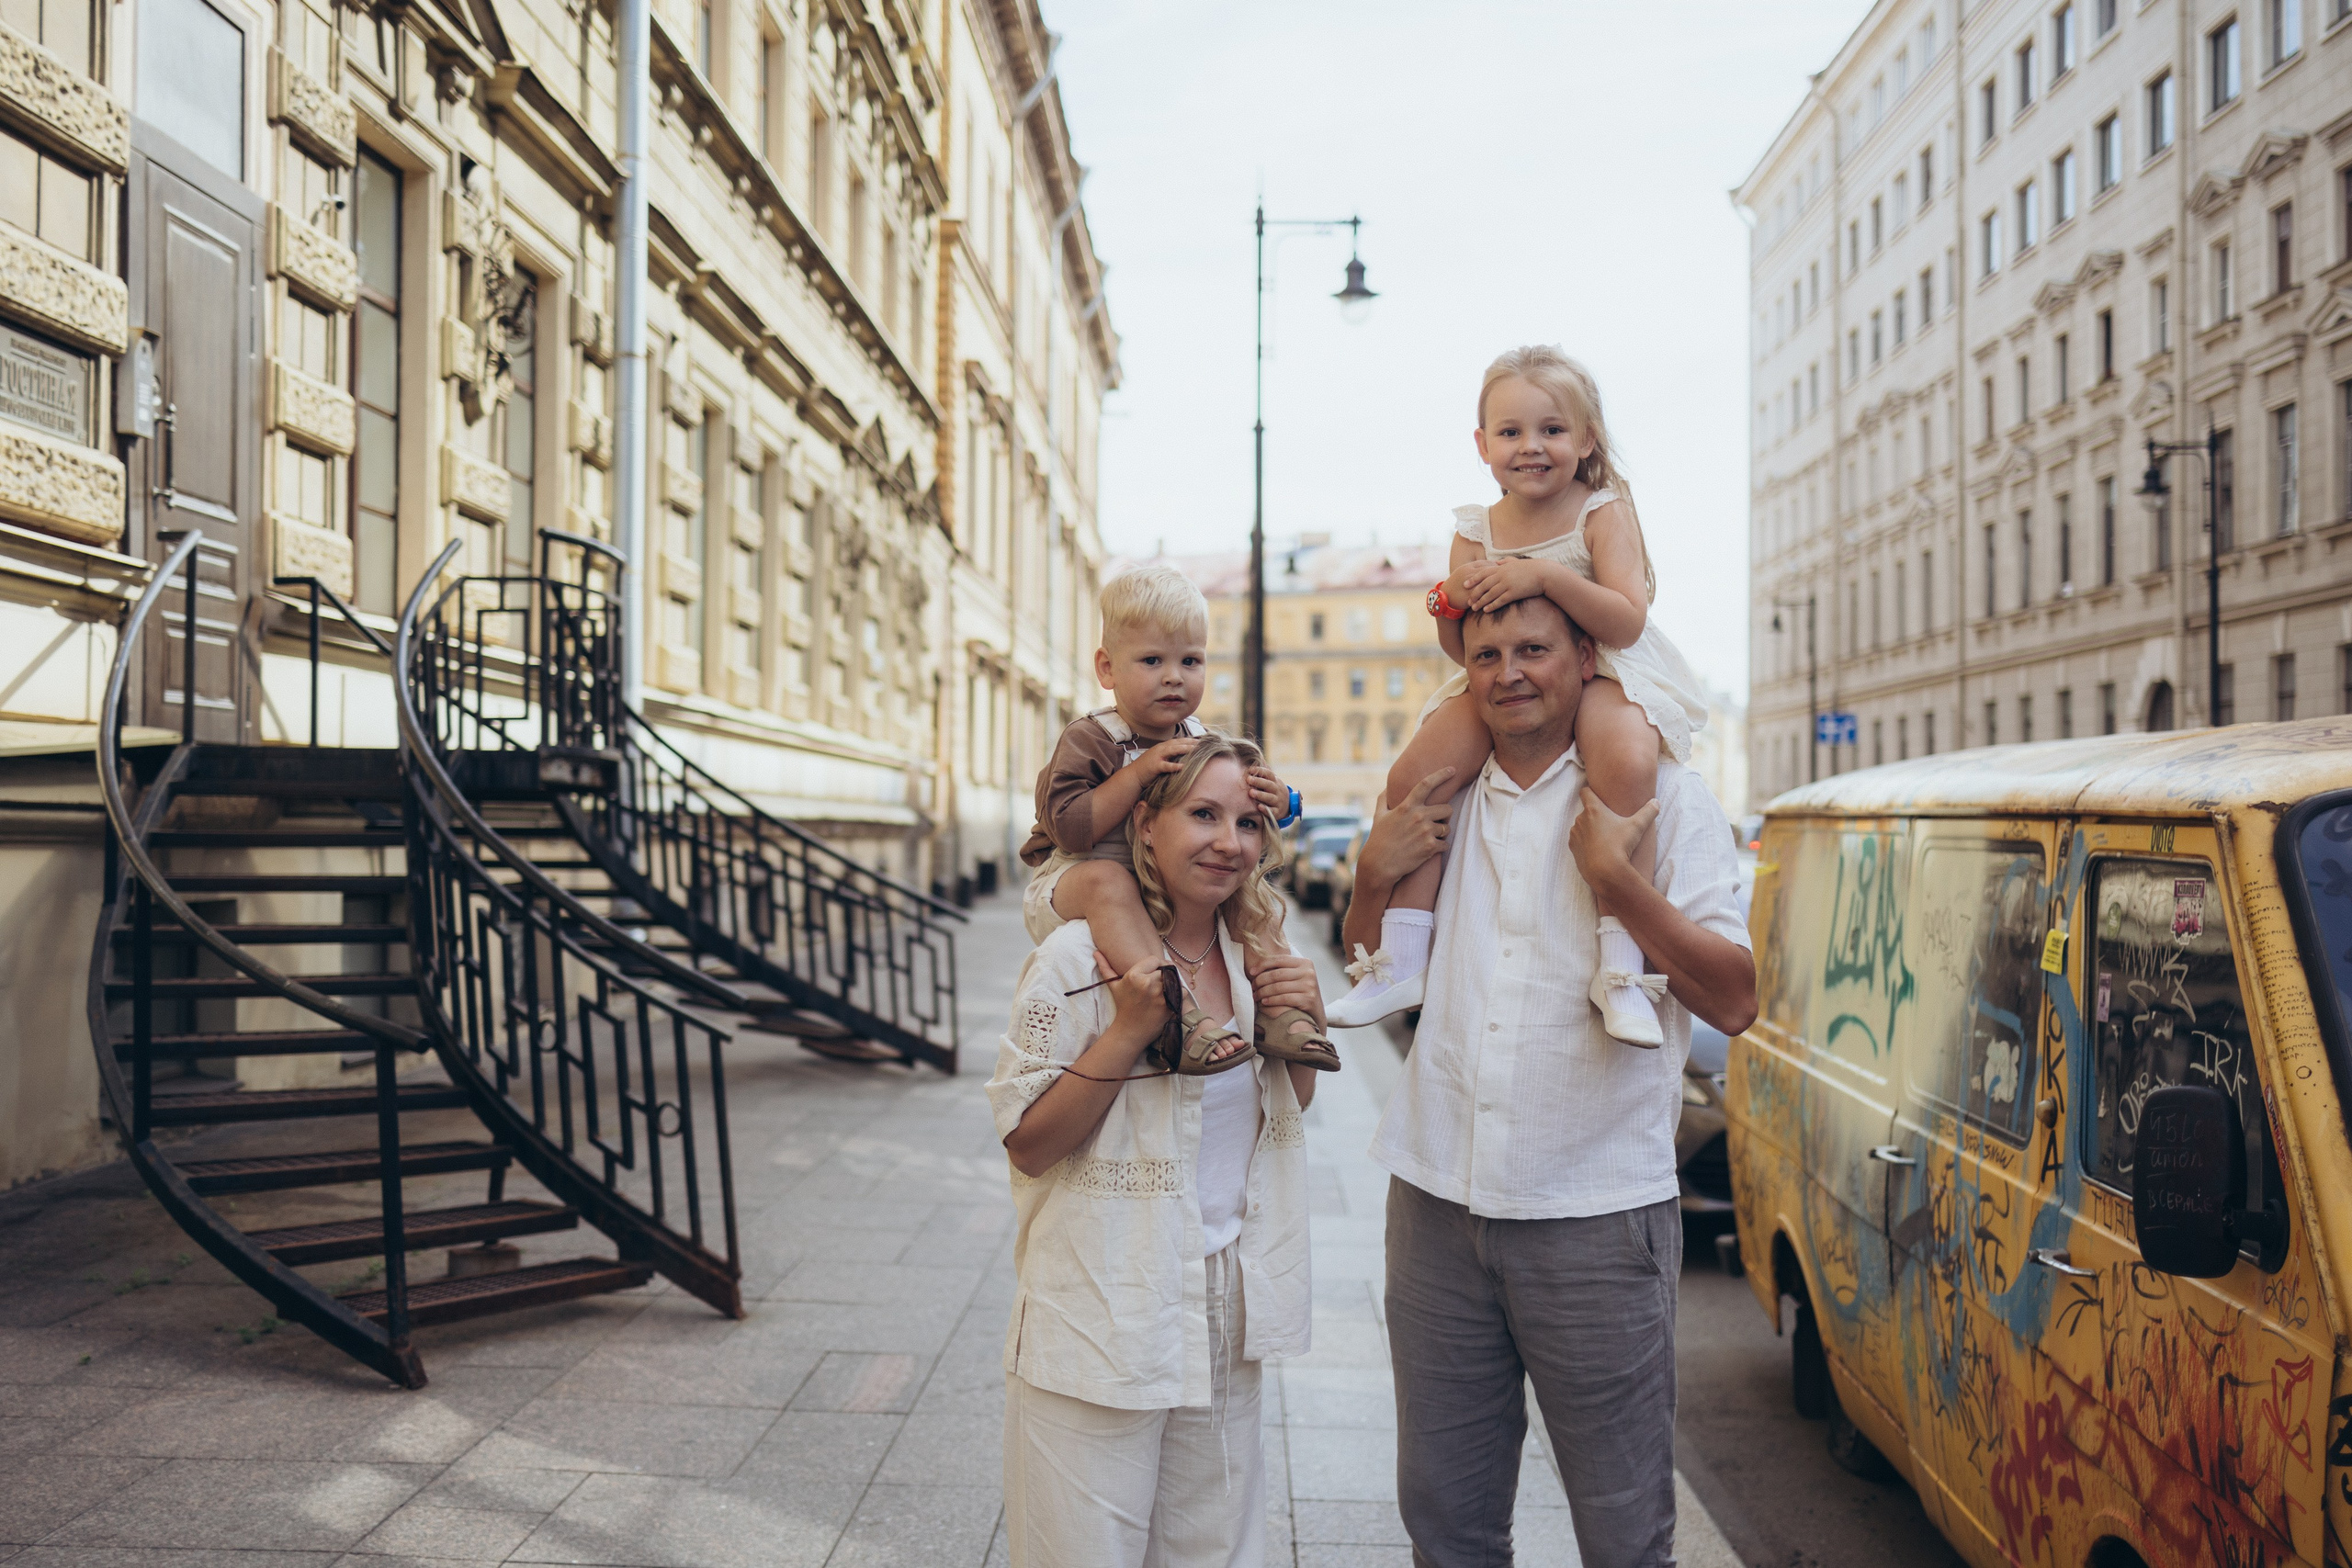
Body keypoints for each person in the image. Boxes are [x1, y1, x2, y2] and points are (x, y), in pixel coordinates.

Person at [1345, 594, 1756, 1568]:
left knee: (1622, 1537)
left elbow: (1734, 1000)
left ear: (1585, 654)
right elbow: (1378, 969)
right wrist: (1370, 877)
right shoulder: (1440, 793)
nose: (1507, 672)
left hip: (1595, 1214)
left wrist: (1619, 884)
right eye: (1484, 653)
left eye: (1532, 648)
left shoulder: (1663, 796)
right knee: (1445, 1525)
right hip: (1437, 1202)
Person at [987, 735, 1329, 1568]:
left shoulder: (1256, 958)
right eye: (1202, 814)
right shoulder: (1077, 955)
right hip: (1101, 1304)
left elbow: (1282, 1114)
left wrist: (1301, 1022)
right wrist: (1131, 1031)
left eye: (1248, 822)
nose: (1228, 841)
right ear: (1144, 826)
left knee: (1214, 1551)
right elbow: (1028, 1141)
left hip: (1221, 1304)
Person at [1327, 346, 1709, 1049]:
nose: (1531, 447)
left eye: (1552, 430)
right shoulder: (1475, 528)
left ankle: (1622, 971)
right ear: (1482, 445)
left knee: (1627, 759)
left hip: (1603, 668)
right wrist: (1449, 601)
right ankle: (1402, 959)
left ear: (1587, 439)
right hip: (1505, 678)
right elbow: (1462, 647)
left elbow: (1627, 618)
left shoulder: (1602, 511)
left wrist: (1545, 581)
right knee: (1416, 777)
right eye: (1510, 432)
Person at [1021, 563, 1339, 1073]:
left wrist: (1282, 800)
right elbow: (1068, 829)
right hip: (1076, 880)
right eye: (1151, 660)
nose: (1174, 676)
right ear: (1107, 669)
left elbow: (1251, 807)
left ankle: (1286, 1017)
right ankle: (1181, 1017)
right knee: (1108, 879)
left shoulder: (1197, 737)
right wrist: (1137, 773)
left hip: (1156, 885)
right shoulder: (1091, 738)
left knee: (1253, 902)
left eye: (1191, 660)